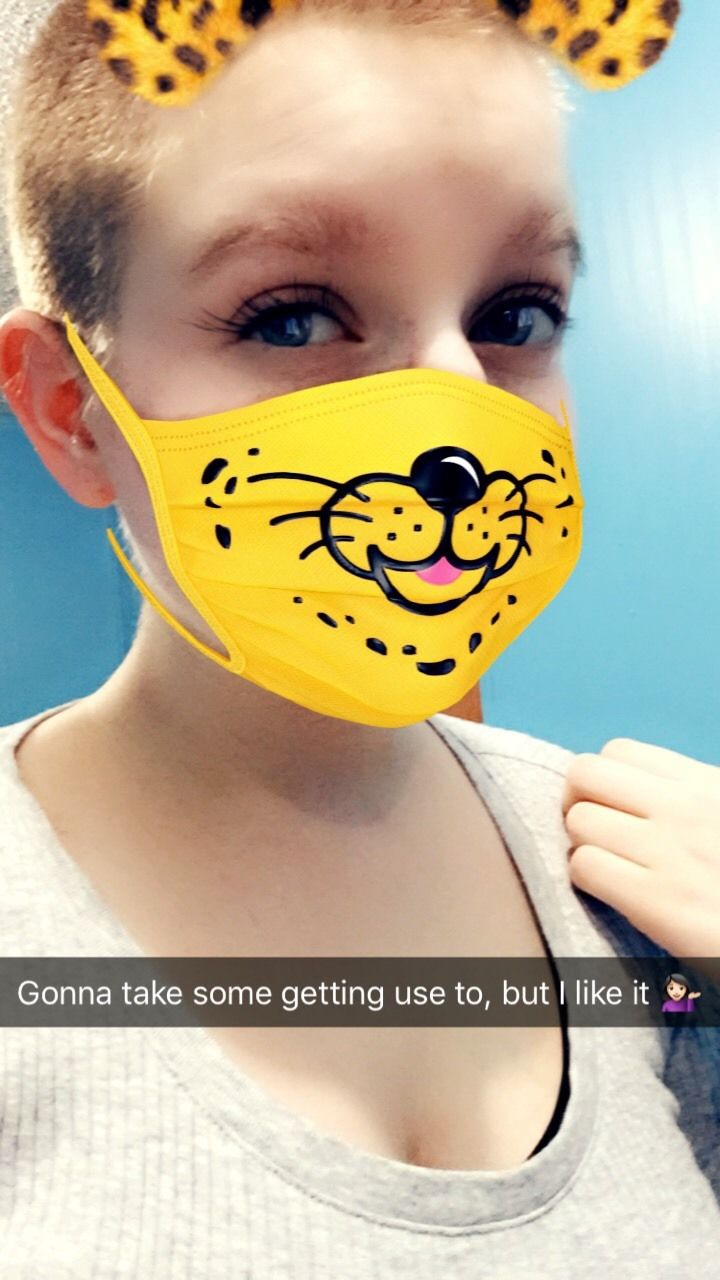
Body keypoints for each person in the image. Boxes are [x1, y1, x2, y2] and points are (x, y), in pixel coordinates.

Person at [0, 0, 717, 1276]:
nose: (458, 404)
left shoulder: (633, 898)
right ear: (69, 410)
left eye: (516, 314)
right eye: (293, 314)